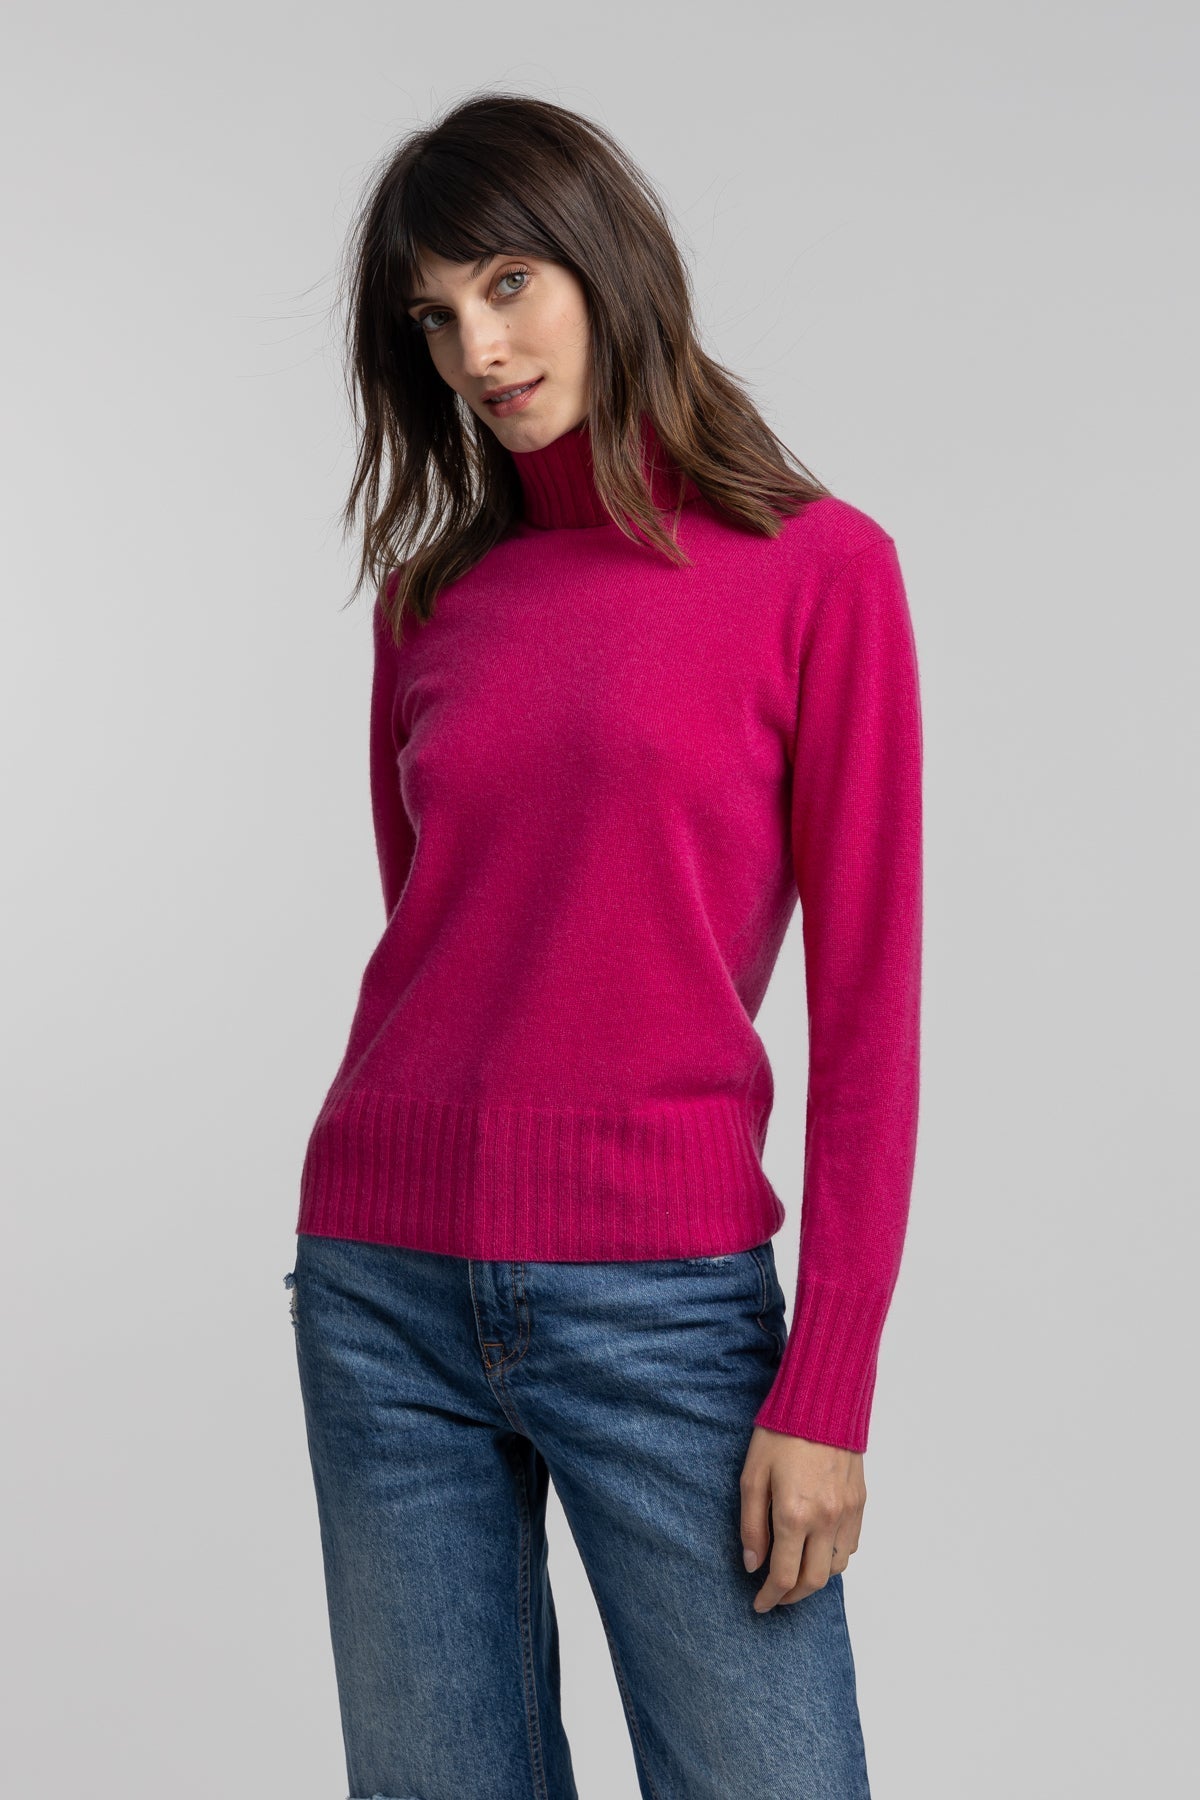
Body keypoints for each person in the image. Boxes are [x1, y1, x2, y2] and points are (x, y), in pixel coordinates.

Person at [284, 90, 922, 1800]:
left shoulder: (818, 571)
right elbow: (442, 928)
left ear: (606, 263)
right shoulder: (431, 598)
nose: (479, 349)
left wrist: (829, 1385)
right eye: (435, 317)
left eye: (508, 283)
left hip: (665, 1306)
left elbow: (872, 1013)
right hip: (382, 1284)